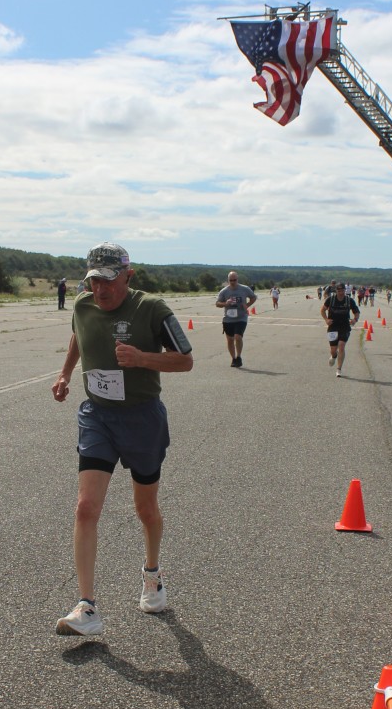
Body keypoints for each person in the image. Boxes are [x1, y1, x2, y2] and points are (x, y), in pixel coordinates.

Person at [51, 242, 194, 638]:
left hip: (142, 418)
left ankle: (152, 575)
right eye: (94, 281)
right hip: (97, 415)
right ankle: (87, 607)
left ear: (129, 276)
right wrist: (65, 373)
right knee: (86, 507)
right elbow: (79, 335)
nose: (100, 289)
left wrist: (142, 358)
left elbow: (185, 360)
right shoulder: (82, 305)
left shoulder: (152, 309)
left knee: (145, 509)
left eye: (108, 281)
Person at [320, 280, 360, 377]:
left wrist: (355, 320)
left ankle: (339, 369)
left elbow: (356, 312)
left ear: (345, 290)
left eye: (342, 290)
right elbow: (322, 310)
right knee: (333, 350)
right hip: (333, 326)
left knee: (341, 346)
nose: (341, 293)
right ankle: (334, 356)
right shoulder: (330, 300)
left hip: (344, 326)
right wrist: (326, 319)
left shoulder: (349, 300)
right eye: (339, 291)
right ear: (336, 291)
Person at [216, 271, 256, 368]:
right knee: (230, 340)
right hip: (228, 319)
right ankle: (233, 359)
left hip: (241, 317)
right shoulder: (224, 291)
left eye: (235, 280)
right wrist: (225, 303)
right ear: (228, 280)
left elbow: (253, 297)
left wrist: (247, 305)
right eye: (231, 280)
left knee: (238, 337)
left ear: (237, 279)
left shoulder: (245, 289)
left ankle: (238, 357)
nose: (233, 282)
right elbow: (217, 303)